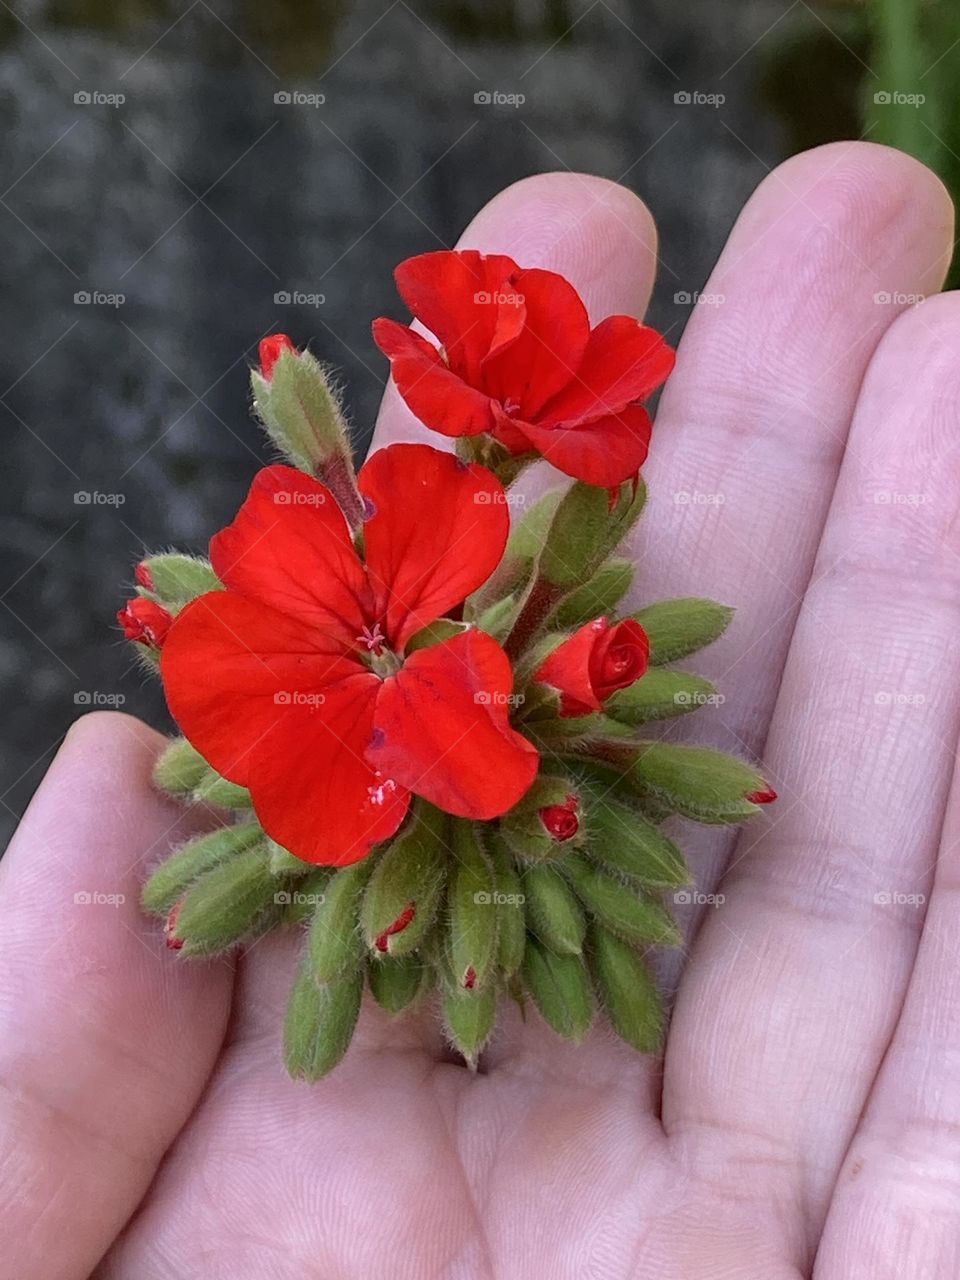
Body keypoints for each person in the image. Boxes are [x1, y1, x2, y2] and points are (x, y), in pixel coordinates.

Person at [3, 141, 957, 1279]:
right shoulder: (349, 614)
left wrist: (519, 665)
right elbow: (333, 674)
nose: (379, 647)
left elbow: (427, 672)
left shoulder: (441, 553)